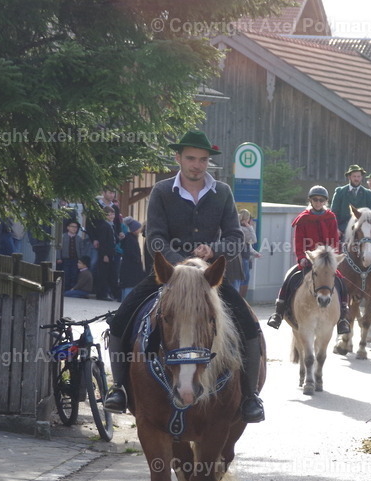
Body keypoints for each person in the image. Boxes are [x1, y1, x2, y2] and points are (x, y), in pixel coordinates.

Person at [103, 131, 265, 422]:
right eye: (191, 158)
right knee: (122, 318)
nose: (197, 165)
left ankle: (250, 396)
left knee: (249, 325)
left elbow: (234, 237)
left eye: (203, 159)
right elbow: (155, 239)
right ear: (178, 158)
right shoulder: (163, 191)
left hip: (208, 278)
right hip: (168, 276)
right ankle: (119, 388)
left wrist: (213, 249)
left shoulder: (223, 192)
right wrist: (181, 265)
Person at [266, 186, 351, 335]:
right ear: (310, 201)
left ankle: (343, 318)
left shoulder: (330, 217)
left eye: (321, 200)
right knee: (289, 278)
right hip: (309, 259)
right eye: (315, 200)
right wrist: (301, 257)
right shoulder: (303, 218)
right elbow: (298, 242)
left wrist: (333, 258)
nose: (318, 202)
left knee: (341, 283)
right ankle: (278, 313)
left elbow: (335, 241)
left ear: (325, 202)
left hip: (326, 260)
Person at [330, 164, 371, 235]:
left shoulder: (368, 193)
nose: (356, 179)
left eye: (358, 176)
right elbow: (334, 212)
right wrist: (336, 229)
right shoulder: (340, 192)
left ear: (361, 177)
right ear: (349, 177)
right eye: (354, 176)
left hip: (362, 227)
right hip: (343, 228)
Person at [88, 206, 117, 301]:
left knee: (109, 274)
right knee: (103, 274)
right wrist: (104, 254)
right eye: (110, 214)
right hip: (105, 254)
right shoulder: (104, 226)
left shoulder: (111, 225)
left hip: (111, 253)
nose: (112, 216)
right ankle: (101, 294)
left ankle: (107, 293)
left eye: (113, 214)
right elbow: (103, 242)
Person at [57, 219, 90, 291]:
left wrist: (81, 260)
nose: (74, 229)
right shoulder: (63, 237)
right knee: (66, 274)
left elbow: (82, 249)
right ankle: (65, 289)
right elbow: (59, 249)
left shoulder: (79, 238)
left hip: (76, 260)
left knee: (74, 274)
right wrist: (58, 258)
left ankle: (71, 289)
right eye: (72, 226)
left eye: (76, 227)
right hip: (65, 259)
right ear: (68, 227)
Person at [233, 210, 260, 297]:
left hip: (239, 257)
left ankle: (240, 298)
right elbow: (253, 240)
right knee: (244, 279)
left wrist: (254, 253)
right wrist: (250, 227)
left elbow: (248, 245)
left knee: (240, 279)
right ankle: (241, 298)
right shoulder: (244, 229)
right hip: (243, 258)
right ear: (247, 219)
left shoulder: (236, 227)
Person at [117, 218, 145, 301]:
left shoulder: (129, 238)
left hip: (128, 268)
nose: (140, 230)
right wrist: (137, 261)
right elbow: (132, 253)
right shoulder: (131, 239)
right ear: (134, 229)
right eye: (138, 228)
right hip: (131, 269)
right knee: (129, 286)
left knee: (126, 286)